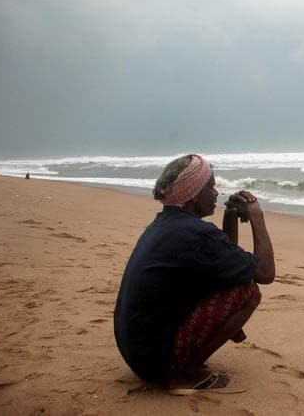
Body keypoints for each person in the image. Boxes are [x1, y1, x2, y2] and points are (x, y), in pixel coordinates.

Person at [114, 154, 275, 392]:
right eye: (210, 186)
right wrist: (256, 216)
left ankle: (183, 362)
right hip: (157, 363)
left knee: (231, 281)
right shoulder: (197, 234)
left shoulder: (167, 225)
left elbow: (225, 268)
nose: (216, 193)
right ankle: (188, 372)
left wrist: (229, 217)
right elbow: (265, 273)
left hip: (137, 354)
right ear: (194, 194)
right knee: (249, 292)